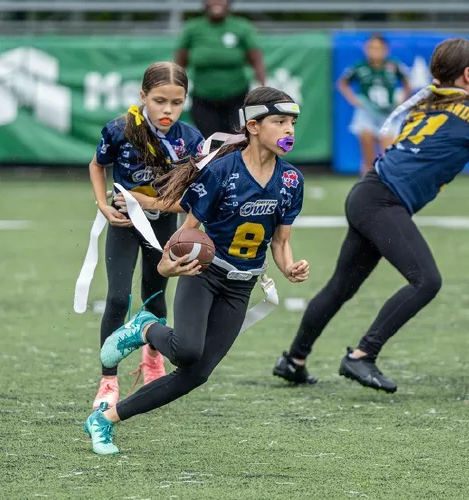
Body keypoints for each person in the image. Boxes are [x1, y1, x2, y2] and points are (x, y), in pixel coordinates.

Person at [271, 37, 469, 393]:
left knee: (341, 286)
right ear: (468, 73)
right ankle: (362, 355)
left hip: (369, 193)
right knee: (426, 281)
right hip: (382, 201)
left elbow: (461, 115)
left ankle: (294, 360)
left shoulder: (432, 100)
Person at [84, 87, 309, 455]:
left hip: (243, 284)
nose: (289, 131)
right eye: (279, 122)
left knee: (196, 375)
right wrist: (166, 263)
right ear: (252, 126)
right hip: (204, 274)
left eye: (293, 123)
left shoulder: (291, 180)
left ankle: (104, 420)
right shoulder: (221, 171)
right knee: (187, 351)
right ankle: (145, 328)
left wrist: (290, 267)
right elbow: (190, 229)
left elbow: (280, 243)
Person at [87, 61, 204, 410]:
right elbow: (97, 164)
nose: (168, 109)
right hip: (123, 224)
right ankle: (108, 378)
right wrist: (103, 205)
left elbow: (190, 203)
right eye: (159, 100)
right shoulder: (119, 129)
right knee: (119, 299)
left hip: (163, 226)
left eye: (177, 102)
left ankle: (153, 355)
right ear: (143, 96)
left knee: (154, 297)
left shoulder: (191, 140)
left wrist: (146, 201)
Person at [175, 0, 266, 139]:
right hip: (203, 99)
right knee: (209, 142)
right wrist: (175, 87)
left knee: (237, 140)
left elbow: (256, 60)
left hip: (237, 98)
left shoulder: (241, 27)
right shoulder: (193, 29)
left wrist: (263, 88)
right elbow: (180, 63)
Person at [337, 34, 411, 175]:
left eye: (378, 48)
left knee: (387, 155)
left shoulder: (393, 65)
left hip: (387, 114)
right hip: (367, 112)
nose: (374, 51)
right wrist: (353, 99)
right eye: (371, 48)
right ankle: (367, 185)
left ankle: (387, 186)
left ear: (386, 49)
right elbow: (343, 83)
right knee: (368, 156)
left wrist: (401, 100)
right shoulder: (360, 67)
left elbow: (407, 82)